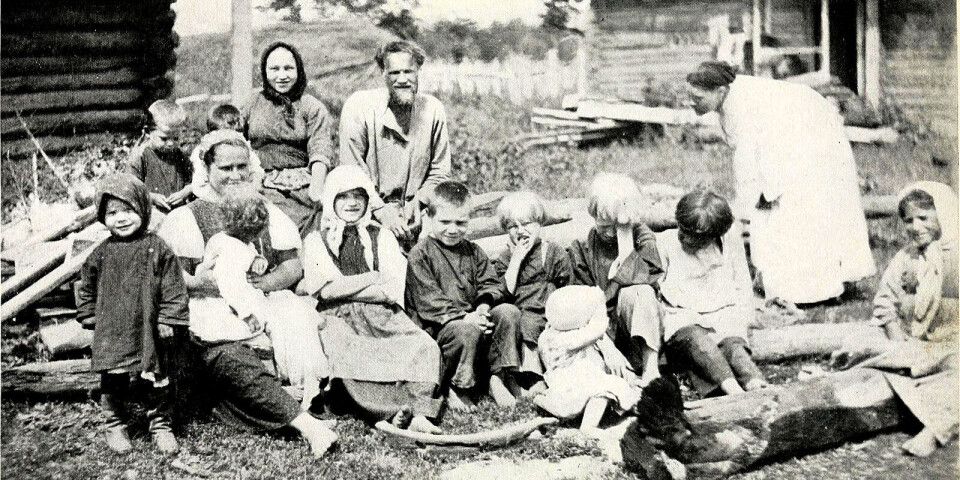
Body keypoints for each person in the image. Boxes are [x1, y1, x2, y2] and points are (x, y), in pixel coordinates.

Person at [158, 129, 337, 458]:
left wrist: (261, 285)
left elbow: (291, 266)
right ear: (207, 169)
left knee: (298, 319)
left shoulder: (264, 208)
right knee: (226, 350)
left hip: (262, 297)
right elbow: (172, 277)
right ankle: (282, 402)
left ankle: (304, 395)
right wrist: (206, 284)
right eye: (225, 168)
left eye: (242, 166)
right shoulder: (186, 216)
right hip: (209, 306)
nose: (236, 175)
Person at [686, 61, 876, 305]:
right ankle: (796, 285)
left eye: (697, 97)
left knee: (794, 210)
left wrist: (753, 200)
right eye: (689, 96)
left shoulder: (743, 107)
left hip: (811, 136)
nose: (691, 102)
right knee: (771, 211)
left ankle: (813, 290)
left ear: (720, 91)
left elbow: (751, 161)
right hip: (788, 142)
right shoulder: (731, 97)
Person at [300, 165, 442, 433]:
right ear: (331, 199)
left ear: (368, 200)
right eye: (343, 196)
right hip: (336, 316)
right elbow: (324, 291)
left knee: (423, 346)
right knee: (346, 351)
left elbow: (389, 289)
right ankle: (390, 411)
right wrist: (371, 276)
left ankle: (421, 413)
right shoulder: (316, 240)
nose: (352, 203)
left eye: (359, 196)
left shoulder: (382, 236)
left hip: (382, 314)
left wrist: (345, 285)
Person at [831, 181, 958, 457]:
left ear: (944, 216)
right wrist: (895, 334)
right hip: (907, 342)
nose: (915, 227)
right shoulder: (905, 258)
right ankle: (896, 366)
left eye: (923, 218)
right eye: (908, 220)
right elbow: (884, 302)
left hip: (946, 346)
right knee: (859, 341)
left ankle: (935, 431)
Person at [76, 173, 189, 454]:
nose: (121, 218)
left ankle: (161, 425)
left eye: (128, 210)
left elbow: (174, 285)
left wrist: (167, 318)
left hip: (149, 326)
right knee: (113, 378)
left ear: (143, 209)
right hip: (114, 327)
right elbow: (85, 285)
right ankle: (114, 424)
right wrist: (88, 313)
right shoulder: (101, 253)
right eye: (113, 213)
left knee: (155, 378)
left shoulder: (157, 247)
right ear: (102, 217)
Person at [190, 189, 327, 409]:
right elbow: (229, 284)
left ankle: (292, 380)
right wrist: (246, 314)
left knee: (282, 323)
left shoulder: (225, 239)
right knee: (259, 341)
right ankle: (275, 386)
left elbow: (244, 255)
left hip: (239, 299)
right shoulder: (232, 249)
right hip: (232, 306)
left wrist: (257, 259)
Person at [405, 181, 523, 410]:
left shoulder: (473, 251)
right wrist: (465, 317)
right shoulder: (420, 255)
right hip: (441, 329)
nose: (452, 229)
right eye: (445, 222)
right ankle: (458, 386)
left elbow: (490, 283)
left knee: (508, 312)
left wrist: (482, 308)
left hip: (474, 321)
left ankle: (498, 377)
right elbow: (429, 301)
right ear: (429, 218)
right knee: (466, 329)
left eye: (460, 223)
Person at [339, 40, 451, 247]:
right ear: (383, 73)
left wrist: (419, 203)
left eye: (408, 72)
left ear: (418, 71)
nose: (402, 80)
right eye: (394, 73)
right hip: (367, 208)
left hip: (417, 212)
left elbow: (440, 171)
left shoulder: (433, 109)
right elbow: (351, 171)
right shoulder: (359, 107)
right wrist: (381, 211)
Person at [657, 190, 767, 397]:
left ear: (715, 235)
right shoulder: (666, 244)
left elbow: (742, 284)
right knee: (699, 343)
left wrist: (741, 318)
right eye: (682, 229)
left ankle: (754, 381)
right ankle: (732, 390)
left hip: (723, 315)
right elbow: (656, 292)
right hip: (684, 319)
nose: (684, 237)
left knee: (734, 347)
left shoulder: (729, 243)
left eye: (694, 236)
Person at [569, 172, 664, 387]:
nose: (610, 234)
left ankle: (651, 369)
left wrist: (625, 237)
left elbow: (640, 278)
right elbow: (583, 308)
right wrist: (607, 348)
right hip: (601, 335)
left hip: (637, 335)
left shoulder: (643, 238)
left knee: (640, 290)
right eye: (604, 227)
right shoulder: (582, 248)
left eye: (617, 227)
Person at [244, 41, 334, 227]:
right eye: (274, 69)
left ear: (298, 70)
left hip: (301, 187)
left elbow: (320, 151)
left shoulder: (312, 107)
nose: (282, 76)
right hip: (259, 184)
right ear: (265, 71)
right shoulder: (252, 103)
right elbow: (233, 140)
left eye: (288, 68)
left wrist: (316, 194)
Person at [491, 191, 572, 394]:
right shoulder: (504, 259)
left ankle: (541, 377)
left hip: (548, 312)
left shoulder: (552, 252)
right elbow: (503, 293)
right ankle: (523, 378)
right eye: (513, 226)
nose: (521, 231)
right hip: (519, 316)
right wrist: (516, 259)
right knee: (521, 321)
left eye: (527, 223)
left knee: (536, 324)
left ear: (540, 223)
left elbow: (567, 287)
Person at [534, 286, 642, 434]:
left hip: (563, 389)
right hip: (578, 388)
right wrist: (598, 307)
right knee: (603, 390)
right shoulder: (573, 338)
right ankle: (588, 427)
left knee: (608, 387)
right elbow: (598, 328)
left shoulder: (547, 336)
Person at [124, 100, 193, 213]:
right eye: (164, 139)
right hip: (150, 212)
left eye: (176, 138)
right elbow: (130, 187)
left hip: (177, 211)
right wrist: (152, 197)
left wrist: (183, 193)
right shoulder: (141, 155)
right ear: (147, 132)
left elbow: (192, 182)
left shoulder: (179, 155)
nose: (171, 143)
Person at [190, 104, 265, 200]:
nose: (231, 140)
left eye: (236, 134)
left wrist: (253, 187)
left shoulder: (243, 149)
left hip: (240, 194)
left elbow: (256, 170)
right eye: (224, 135)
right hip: (214, 197)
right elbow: (198, 184)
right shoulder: (204, 151)